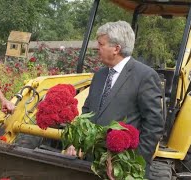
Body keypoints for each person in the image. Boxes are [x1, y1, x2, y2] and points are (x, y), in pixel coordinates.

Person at [66, 21, 164, 178]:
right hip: (92, 165)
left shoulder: (145, 76)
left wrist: (131, 164)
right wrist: (77, 142)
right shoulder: (99, 75)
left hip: (122, 170)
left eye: (101, 44)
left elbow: (154, 126)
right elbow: (87, 111)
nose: (97, 48)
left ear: (116, 49)